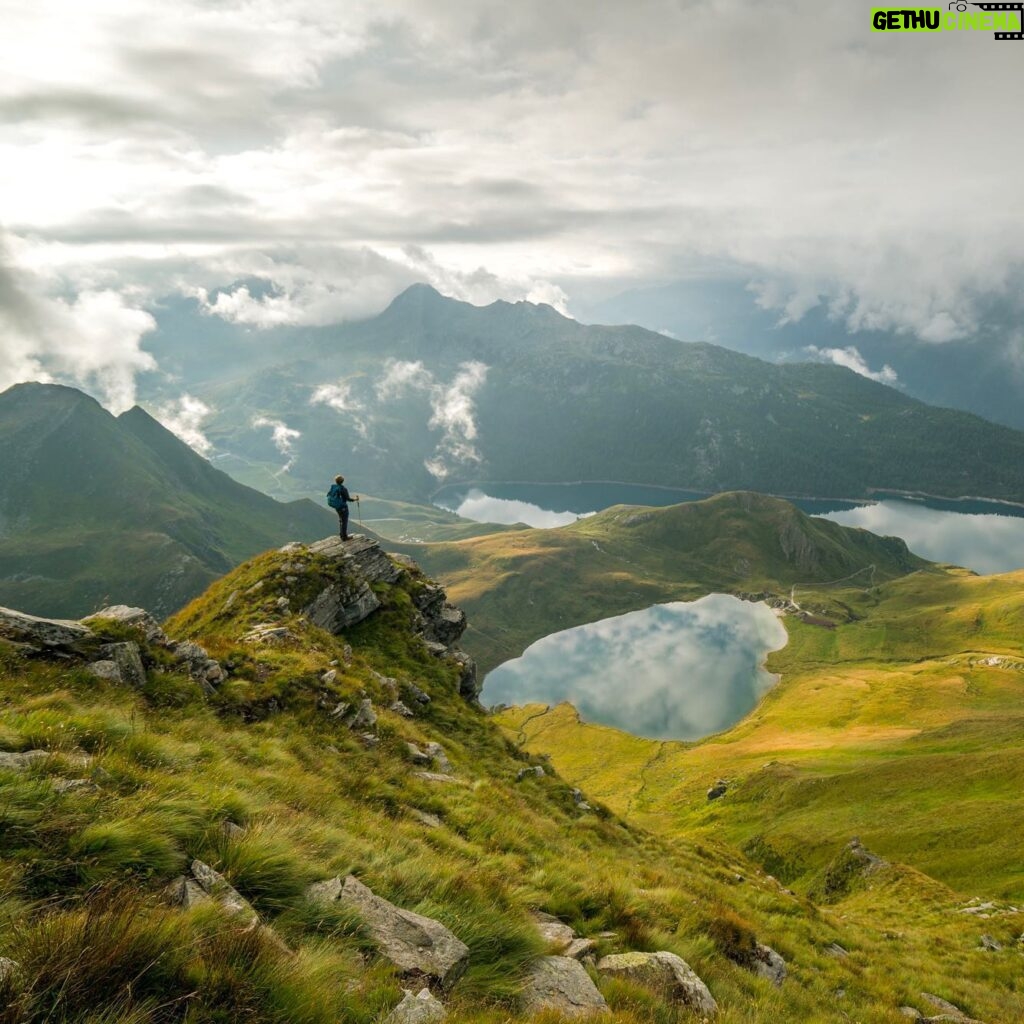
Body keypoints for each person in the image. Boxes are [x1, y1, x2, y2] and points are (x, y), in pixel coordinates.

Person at [327, 475, 359, 541]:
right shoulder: (343, 489)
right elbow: (348, 499)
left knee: (341, 520)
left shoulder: (333, 487)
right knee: (344, 521)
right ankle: (344, 537)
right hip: (343, 507)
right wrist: (355, 499)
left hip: (337, 507)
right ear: (343, 481)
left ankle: (342, 534)